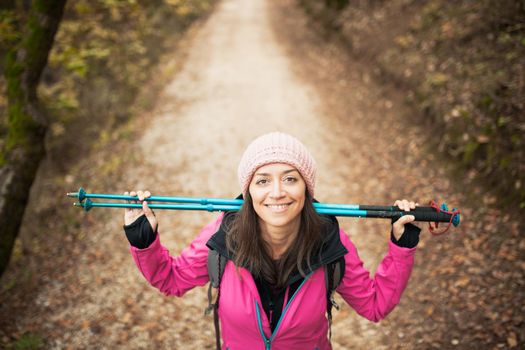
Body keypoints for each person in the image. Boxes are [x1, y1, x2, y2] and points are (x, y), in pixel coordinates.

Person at [123, 132, 421, 350]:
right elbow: (171, 279)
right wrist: (144, 241)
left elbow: (374, 305)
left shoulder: (329, 241)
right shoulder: (225, 235)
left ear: (307, 189)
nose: (277, 192)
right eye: (262, 180)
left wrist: (402, 247)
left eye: (290, 179)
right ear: (248, 190)